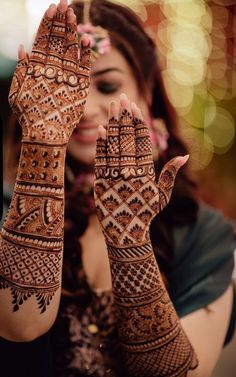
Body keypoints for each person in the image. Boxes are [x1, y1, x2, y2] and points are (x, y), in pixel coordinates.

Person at [0, 0, 235, 376]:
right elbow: (21, 323)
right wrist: (43, 146)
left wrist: (130, 237)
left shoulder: (201, 232)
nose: (84, 108)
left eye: (107, 85)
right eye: (69, 87)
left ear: (148, 94)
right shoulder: (8, 208)